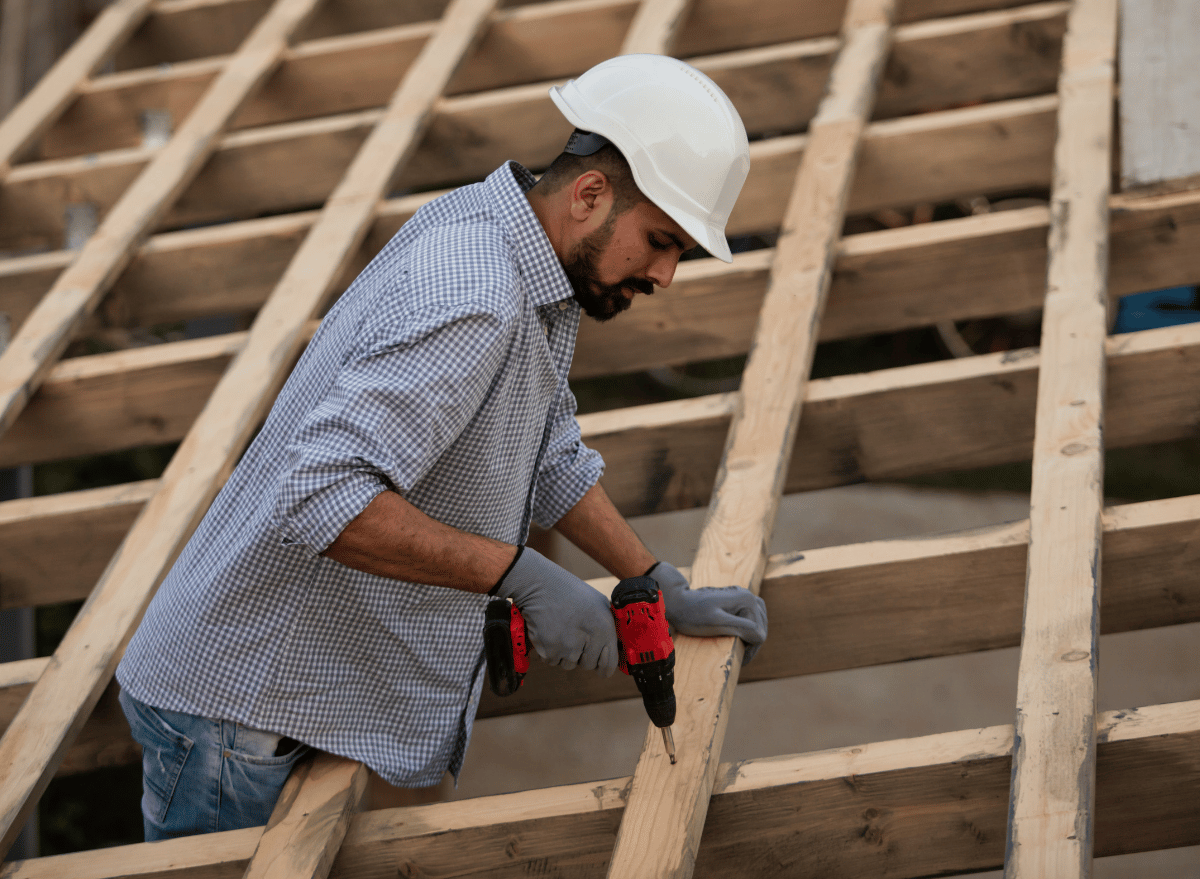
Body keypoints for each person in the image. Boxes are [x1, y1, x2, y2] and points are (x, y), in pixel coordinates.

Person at [116, 53, 768, 840]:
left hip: (293, 701)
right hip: (240, 715)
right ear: (591, 194)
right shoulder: (476, 292)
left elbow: (547, 450)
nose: (666, 275)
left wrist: (651, 580)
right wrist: (517, 572)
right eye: (660, 241)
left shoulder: (529, 256)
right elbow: (321, 494)